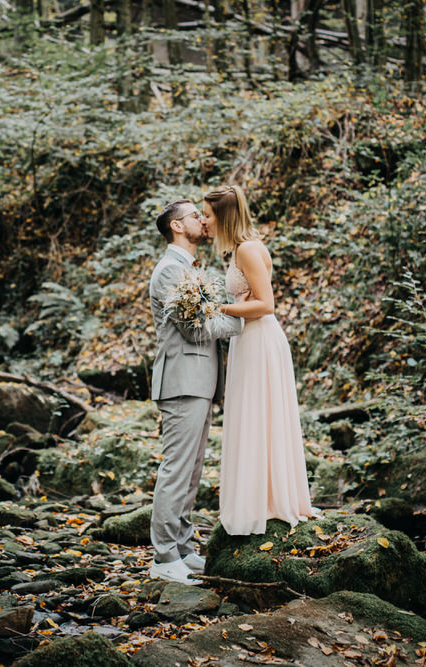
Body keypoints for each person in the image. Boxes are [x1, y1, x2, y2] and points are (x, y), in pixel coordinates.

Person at [201, 185, 317, 536]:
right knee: (252, 417)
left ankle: (269, 502)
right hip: (247, 339)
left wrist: (217, 307)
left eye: (207, 215)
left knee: (259, 416)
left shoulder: (249, 249)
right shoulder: (239, 250)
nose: (204, 222)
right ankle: (257, 499)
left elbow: (266, 304)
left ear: (223, 217)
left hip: (261, 339)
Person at [148, 199, 244, 584]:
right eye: (194, 216)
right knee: (176, 469)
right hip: (181, 381)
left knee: (191, 471)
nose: (202, 221)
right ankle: (163, 556)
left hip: (199, 382)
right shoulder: (169, 271)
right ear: (175, 226)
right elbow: (195, 329)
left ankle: (184, 548)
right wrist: (241, 321)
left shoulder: (189, 268)